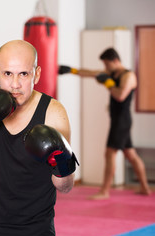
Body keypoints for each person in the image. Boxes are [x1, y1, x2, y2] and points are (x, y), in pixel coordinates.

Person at [0, 40, 78, 236]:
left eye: (24, 74)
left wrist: (60, 159)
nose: (15, 84)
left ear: (37, 74)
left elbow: (65, 186)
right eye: (8, 74)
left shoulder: (54, 113)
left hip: (36, 231)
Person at [59, 47, 152, 200]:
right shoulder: (113, 73)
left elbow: (121, 96)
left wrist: (108, 84)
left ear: (115, 61)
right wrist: (72, 70)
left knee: (110, 154)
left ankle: (105, 191)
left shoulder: (129, 76)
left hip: (122, 121)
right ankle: (145, 188)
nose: (105, 68)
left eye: (107, 64)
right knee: (131, 155)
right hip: (118, 119)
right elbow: (91, 73)